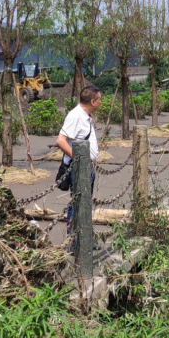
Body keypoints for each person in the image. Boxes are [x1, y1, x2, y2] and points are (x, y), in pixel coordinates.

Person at [56, 85, 102, 233]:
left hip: (85, 167)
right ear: (93, 102)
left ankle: (84, 238)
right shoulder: (76, 115)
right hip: (78, 168)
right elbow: (61, 140)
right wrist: (80, 160)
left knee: (84, 203)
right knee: (77, 203)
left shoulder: (85, 115)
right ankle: (74, 241)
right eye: (100, 99)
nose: (101, 102)